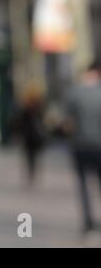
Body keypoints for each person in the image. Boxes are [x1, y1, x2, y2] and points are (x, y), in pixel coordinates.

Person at [64, 59, 101, 236]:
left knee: (84, 186)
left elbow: (66, 122)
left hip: (80, 145)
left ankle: (88, 222)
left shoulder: (74, 92)